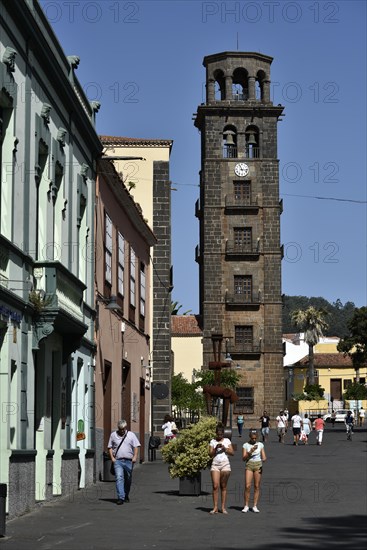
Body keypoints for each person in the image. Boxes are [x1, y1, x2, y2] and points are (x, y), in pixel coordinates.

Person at [108, 419, 140, 505]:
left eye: (123, 429)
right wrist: (112, 458)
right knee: (119, 478)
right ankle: (120, 497)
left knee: (128, 479)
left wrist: (135, 456)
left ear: (126, 428)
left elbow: (136, 446)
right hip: (118, 461)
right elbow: (110, 447)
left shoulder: (131, 435)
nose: (122, 431)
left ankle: (126, 494)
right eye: (120, 429)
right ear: (118, 428)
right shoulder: (113, 435)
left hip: (129, 461)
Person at [208, 423, 234, 514]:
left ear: (223, 434)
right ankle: (215, 507)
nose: (219, 436)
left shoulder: (227, 441)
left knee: (223, 486)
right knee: (215, 486)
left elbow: (232, 453)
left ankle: (222, 507)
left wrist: (224, 448)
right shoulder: (213, 441)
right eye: (218, 435)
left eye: (221, 435)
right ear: (216, 433)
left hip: (225, 464)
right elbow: (210, 454)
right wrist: (215, 449)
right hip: (215, 464)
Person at [242, 429, 267, 513]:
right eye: (252, 438)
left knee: (256, 486)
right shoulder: (245, 445)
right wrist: (251, 451)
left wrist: (264, 459)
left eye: (255, 438)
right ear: (250, 437)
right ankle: (246, 505)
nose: (254, 440)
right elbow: (243, 458)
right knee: (247, 486)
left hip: (258, 465)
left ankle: (255, 505)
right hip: (249, 465)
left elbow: (264, 457)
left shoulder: (260, 445)